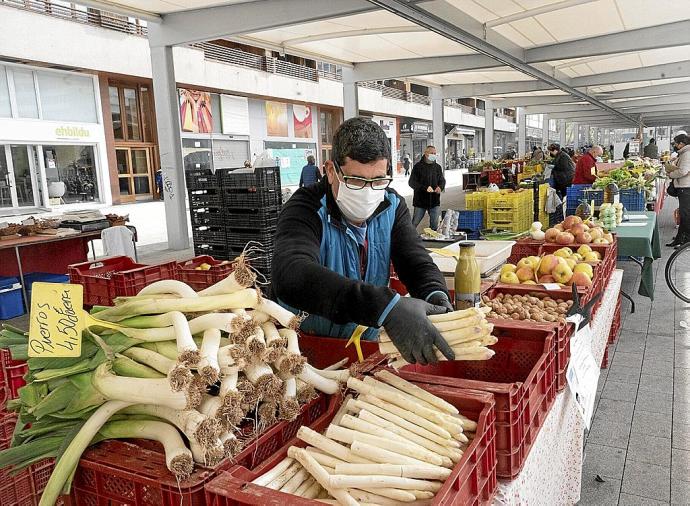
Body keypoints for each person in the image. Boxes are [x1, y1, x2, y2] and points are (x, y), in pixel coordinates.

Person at [272, 118, 455, 365]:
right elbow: (291, 272)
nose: (368, 192)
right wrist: (385, 307)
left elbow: (414, 260)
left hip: (366, 347)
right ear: (330, 170)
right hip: (307, 353)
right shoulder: (305, 208)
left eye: (378, 180)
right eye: (356, 181)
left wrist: (435, 294)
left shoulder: (392, 205)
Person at [409, 145, 446, 231]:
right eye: (431, 153)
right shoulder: (417, 167)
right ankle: (408, 238)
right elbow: (411, 182)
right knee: (414, 223)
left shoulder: (437, 167)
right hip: (420, 201)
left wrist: (440, 187)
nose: (434, 155)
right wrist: (424, 188)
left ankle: (432, 240)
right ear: (426, 154)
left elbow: (442, 180)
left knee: (434, 225)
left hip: (434, 200)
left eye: (435, 153)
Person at [665, 134, 690, 248]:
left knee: (685, 215)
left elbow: (683, 171)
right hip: (684, 187)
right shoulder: (684, 154)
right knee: (684, 214)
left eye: (676, 143)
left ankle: (686, 241)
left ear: (682, 143)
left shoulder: (686, 154)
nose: (675, 145)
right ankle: (680, 238)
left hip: (685, 187)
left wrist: (671, 174)